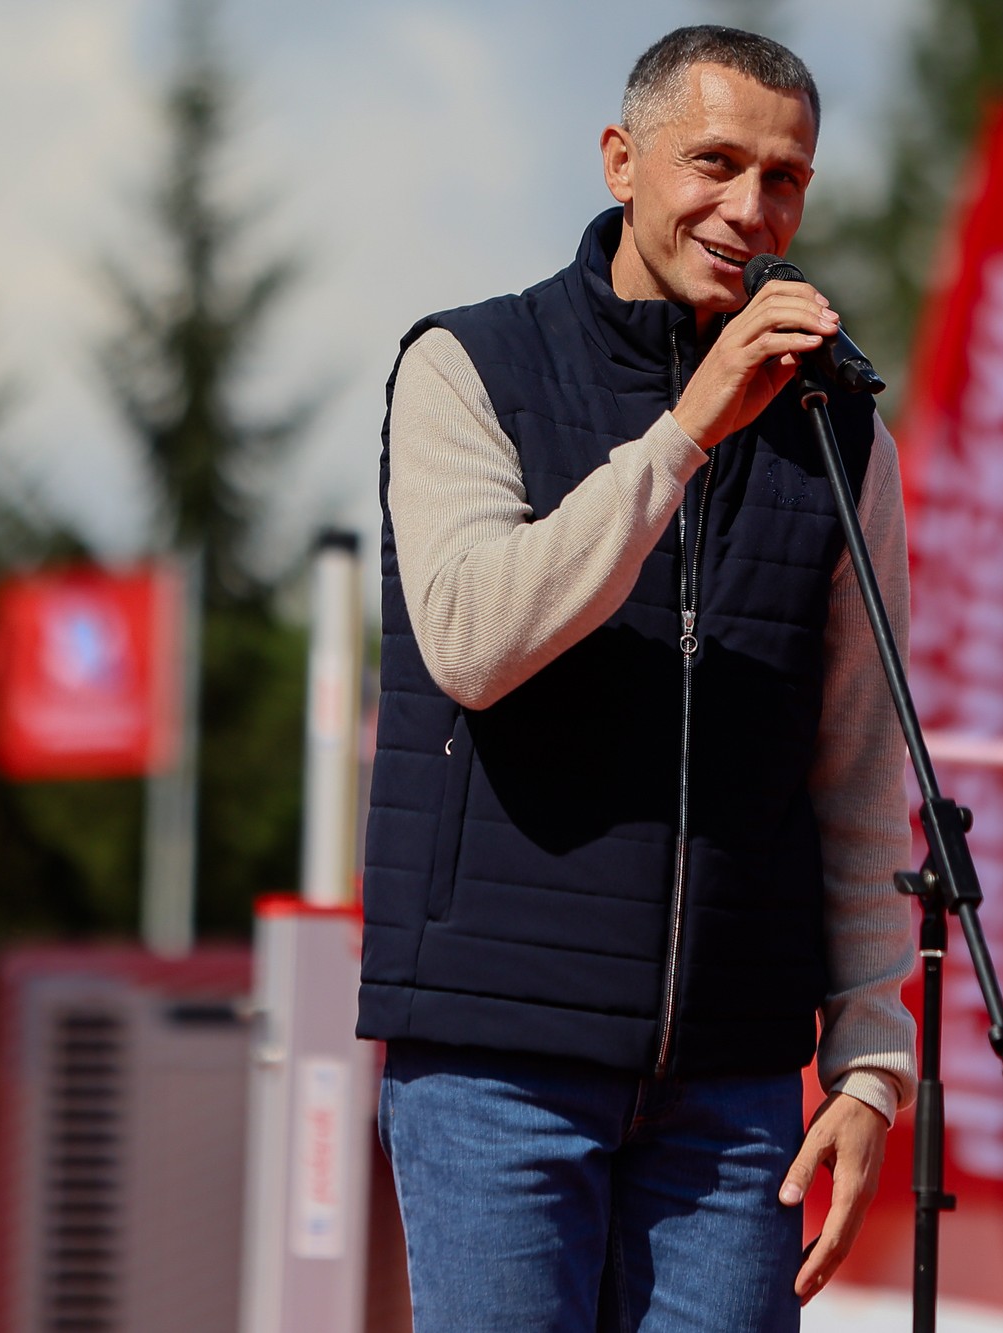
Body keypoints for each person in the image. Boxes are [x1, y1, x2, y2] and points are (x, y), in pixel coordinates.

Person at [359, 24, 915, 1331]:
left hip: (734, 1088)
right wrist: (686, 433)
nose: (751, 208)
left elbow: (859, 763)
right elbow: (473, 642)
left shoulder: (842, 433)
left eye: (785, 178)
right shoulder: (467, 367)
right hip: (496, 1062)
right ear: (621, 160)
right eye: (714, 162)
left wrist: (873, 1063)